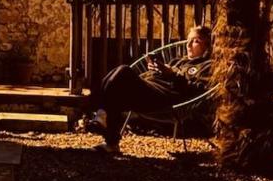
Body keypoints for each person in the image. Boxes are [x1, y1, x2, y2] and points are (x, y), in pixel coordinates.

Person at [86, 25, 214, 155]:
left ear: (207, 46)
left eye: (196, 41)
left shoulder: (206, 66)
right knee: (115, 82)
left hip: (164, 99)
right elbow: (161, 76)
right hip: (149, 90)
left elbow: (197, 90)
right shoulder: (178, 61)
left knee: (123, 71)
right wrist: (155, 70)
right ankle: (111, 142)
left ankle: (101, 116)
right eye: (188, 40)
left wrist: (172, 75)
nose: (188, 44)